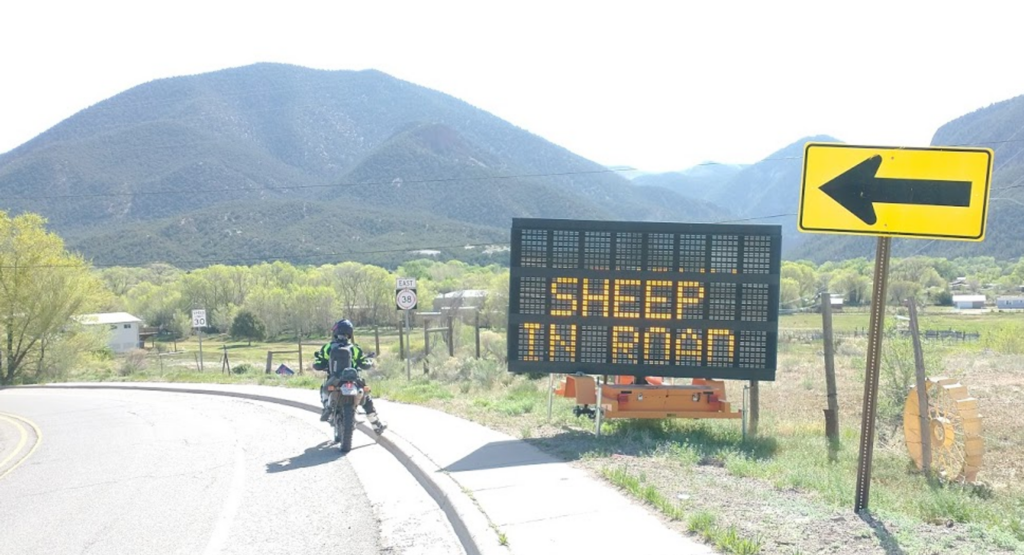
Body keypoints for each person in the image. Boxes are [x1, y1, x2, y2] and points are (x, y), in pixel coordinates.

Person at [313, 319, 386, 435]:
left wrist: (317, 364)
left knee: (324, 388)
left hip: (334, 379)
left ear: (335, 332)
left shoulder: (328, 347)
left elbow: (319, 364)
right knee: (366, 397)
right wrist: (370, 363)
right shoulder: (354, 348)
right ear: (350, 333)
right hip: (354, 380)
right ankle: (376, 424)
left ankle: (327, 407)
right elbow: (363, 363)